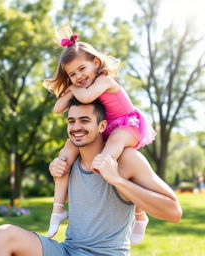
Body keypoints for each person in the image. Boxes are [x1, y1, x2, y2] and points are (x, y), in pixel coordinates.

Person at [0, 98, 182, 256]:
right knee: (4, 234)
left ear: (102, 126)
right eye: (71, 121)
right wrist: (57, 174)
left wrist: (117, 180)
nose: (76, 127)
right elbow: (85, 198)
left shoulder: (126, 159)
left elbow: (174, 212)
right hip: (68, 250)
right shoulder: (70, 161)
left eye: (85, 120)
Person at [43, 25, 156, 243]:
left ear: (96, 63)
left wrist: (72, 90)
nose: (78, 77)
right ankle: (58, 208)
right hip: (103, 128)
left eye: (82, 69)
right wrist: (71, 89)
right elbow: (58, 109)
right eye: (72, 74)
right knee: (67, 148)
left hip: (127, 126)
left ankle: (139, 215)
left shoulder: (106, 80)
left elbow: (85, 98)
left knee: (116, 145)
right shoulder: (81, 87)